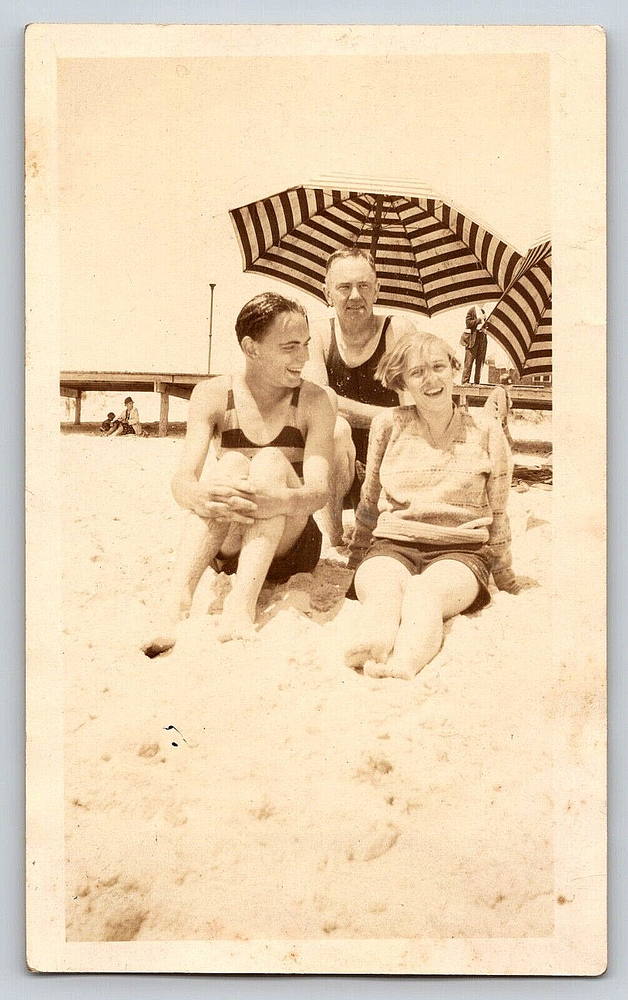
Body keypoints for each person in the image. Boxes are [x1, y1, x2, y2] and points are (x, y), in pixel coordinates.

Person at [142, 292, 334, 657]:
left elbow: (319, 492)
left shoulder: (314, 400)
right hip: (228, 542)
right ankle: (177, 599)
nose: (304, 358)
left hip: (292, 543)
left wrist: (276, 498)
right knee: (229, 466)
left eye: (306, 345)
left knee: (271, 462)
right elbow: (182, 481)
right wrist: (201, 495)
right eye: (290, 347)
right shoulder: (212, 394)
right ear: (252, 348)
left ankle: (241, 605)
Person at [343, 329, 518, 681]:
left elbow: (498, 511)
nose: (430, 379)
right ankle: (375, 643)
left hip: (459, 551)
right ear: (401, 381)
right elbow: (370, 497)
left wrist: (506, 577)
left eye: (438, 366)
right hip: (392, 544)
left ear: (454, 369)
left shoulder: (485, 430)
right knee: (382, 592)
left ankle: (405, 662)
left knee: (424, 594)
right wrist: (358, 555)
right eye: (417, 372)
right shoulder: (388, 425)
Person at [302, 248, 418, 548]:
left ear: (377, 289)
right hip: (339, 470)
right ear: (327, 292)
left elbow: (416, 410)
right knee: (335, 429)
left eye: (364, 286)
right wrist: (385, 414)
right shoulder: (319, 335)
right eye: (344, 287)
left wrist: (344, 406)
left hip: (392, 464)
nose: (355, 295)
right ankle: (336, 537)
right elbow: (320, 407)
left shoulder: (397, 331)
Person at [484, 373, 515, 449]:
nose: (511, 386)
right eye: (510, 385)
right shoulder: (501, 391)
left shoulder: (500, 390)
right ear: (506, 384)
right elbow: (502, 408)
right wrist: (502, 421)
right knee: (506, 441)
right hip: (494, 417)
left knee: (505, 440)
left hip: (492, 416)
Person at [461, 305, 488, 384]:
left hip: (481, 338)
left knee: (480, 362)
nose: (483, 303)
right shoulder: (471, 310)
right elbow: (468, 323)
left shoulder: (483, 311)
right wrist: (480, 319)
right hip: (472, 340)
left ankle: (477, 382)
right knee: (469, 362)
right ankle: (465, 382)